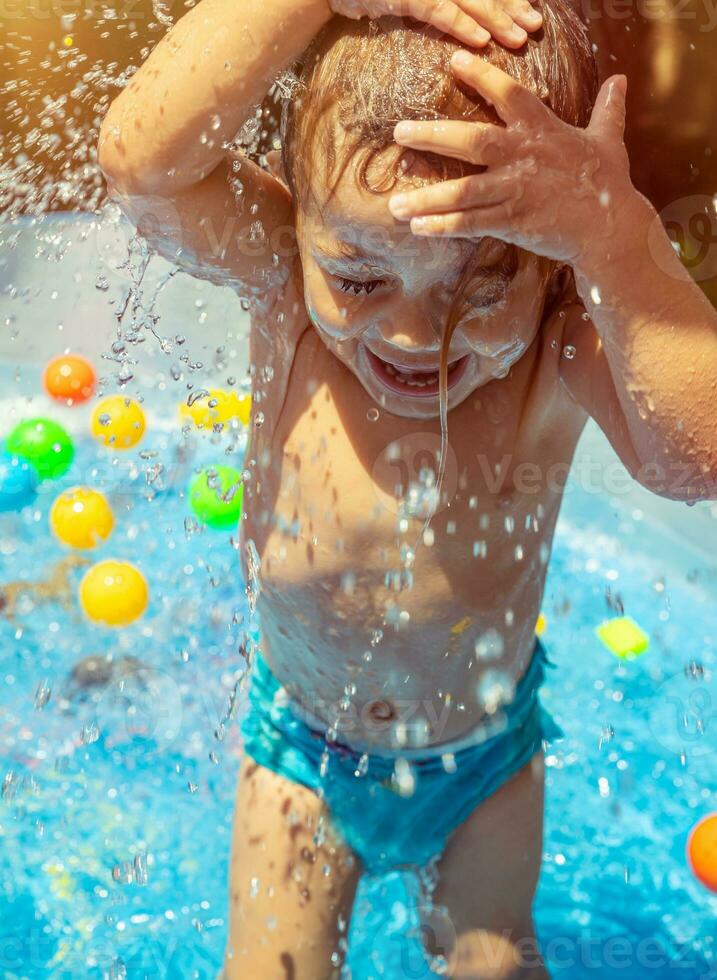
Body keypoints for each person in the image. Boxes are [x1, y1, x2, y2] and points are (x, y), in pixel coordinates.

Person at [98, 0, 717, 974]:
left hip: (482, 765)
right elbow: (141, 165)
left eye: (478, 291)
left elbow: (696, 459)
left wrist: (618, 241)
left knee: (496, 961)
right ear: (294, 215)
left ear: (551, 267)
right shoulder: (279, 287)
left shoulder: (557, 343)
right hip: (302, 750)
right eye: (358, 278)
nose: (408, 336)